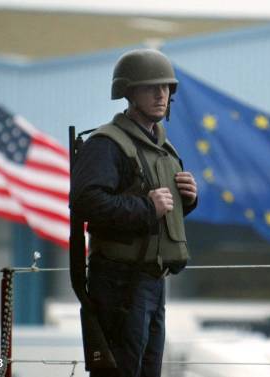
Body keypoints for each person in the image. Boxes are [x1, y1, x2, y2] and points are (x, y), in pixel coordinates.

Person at [71, 49, 197, 377]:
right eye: (150, 87)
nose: (161, 95)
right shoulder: (107, 144)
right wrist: (147, 207)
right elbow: (87, 202)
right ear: (128, 93)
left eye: (166, 88)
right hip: (119, 282)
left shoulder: (164, 149)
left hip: (153, 282)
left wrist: (187, 199)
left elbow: (162, 218)